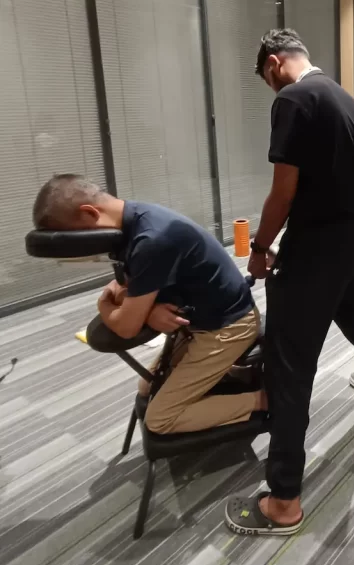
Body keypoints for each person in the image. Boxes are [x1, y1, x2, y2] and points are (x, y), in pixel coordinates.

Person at [224, 29, 354, 538]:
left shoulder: (294, 99)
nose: (271, 91)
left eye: (267, 80)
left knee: (290, 362)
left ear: (275, 63)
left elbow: (285, 189)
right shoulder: (346, 100)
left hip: (316, 243)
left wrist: (259, 248)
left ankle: (282, 501)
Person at [32, 175, 266, 433]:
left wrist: (104, 304)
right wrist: (147, 308)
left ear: (89, 214)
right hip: (196, 323)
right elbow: (122, 286)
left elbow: (125, 327)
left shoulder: (152, 238)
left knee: (160, 420)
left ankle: (263, 400)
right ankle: (229, 375)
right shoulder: (130, 224)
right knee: (147, 386)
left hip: (228, 328)